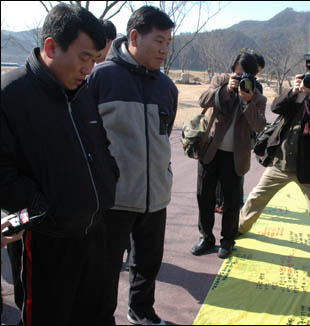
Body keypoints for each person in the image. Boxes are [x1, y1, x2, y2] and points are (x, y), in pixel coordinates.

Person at [0, 4, 118, 324]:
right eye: (83, 58)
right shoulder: (11, 94)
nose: (89, 69)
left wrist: (109, 181)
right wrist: (44, 209)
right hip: (46, 243)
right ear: (51, 47)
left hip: (95, 232)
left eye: (95, 60)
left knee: (96, 315)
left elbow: (101, 145)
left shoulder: (82, 89)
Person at [87, 5, 178, 325]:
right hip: (115, 198)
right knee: (106, 266)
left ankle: (141, 310)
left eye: (169, 42)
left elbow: (163, 135)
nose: (165, 49)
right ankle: (101, 318)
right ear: (135, 37)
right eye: (159, 41)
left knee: (148, 262)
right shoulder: (101, 77)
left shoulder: (167, 87)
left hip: (156, 196)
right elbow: (88, 138)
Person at [238, 55, 310, 262]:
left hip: (308, 167)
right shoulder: (298, 92)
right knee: (257, 198)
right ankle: (238, 228)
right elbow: (275, 108)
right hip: (281, 161)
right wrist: (293, 91)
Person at [191, 52, 267, 259]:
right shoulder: (220, 81)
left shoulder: (257, 93)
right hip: (211, 151)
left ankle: (227, 241)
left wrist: (247, 101)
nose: (241, 78)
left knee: (232, 203)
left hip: (236, 156)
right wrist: (226, 89)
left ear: (254, 75)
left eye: (246, 74)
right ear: (233, 68)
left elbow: (260, 125)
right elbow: (202, 100)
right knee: (204, 198)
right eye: (238, 72)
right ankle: (206, 238)